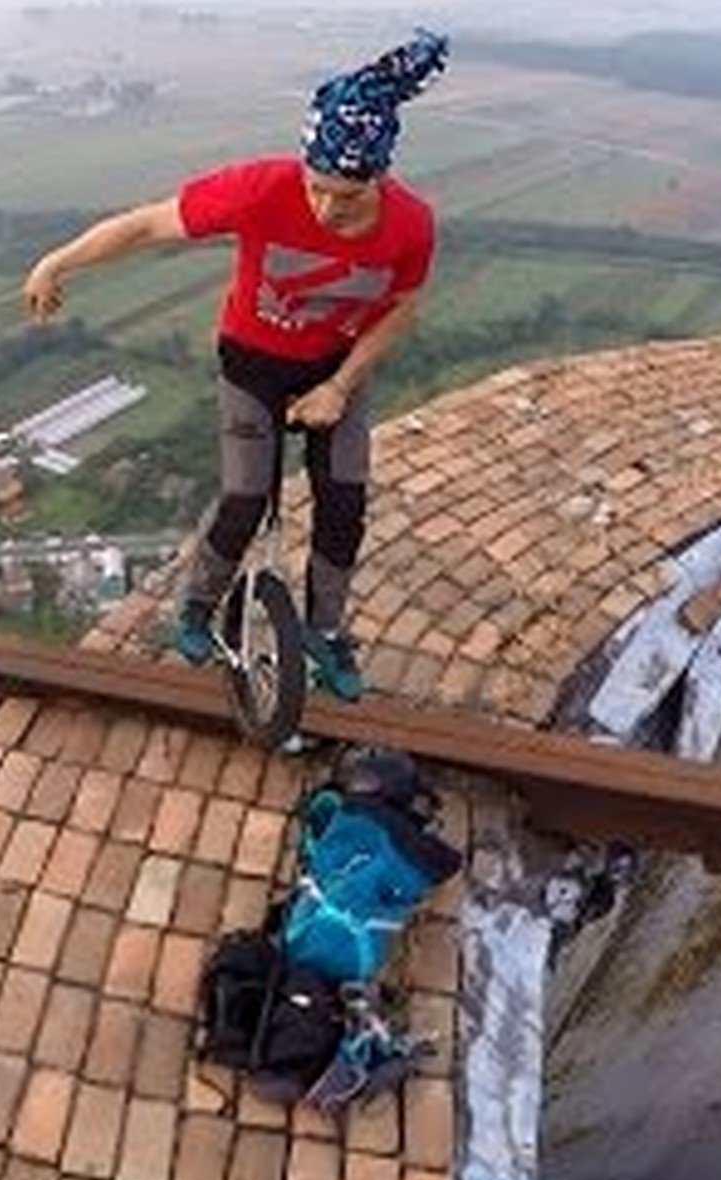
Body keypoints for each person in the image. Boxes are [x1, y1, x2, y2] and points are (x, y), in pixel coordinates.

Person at [23, 30, 448, 701]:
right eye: (317, 188)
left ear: (380, 176)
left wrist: (339, 386)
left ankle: (326, 632)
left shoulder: (411, 225)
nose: (327, 208)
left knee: (345, 505)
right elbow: (146, 225)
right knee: (246, 497)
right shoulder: (261, 189)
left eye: (348, 196)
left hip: (335, 367)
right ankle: (196, 606)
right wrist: (58, 261)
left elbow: (401, 307)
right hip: (253, 363)